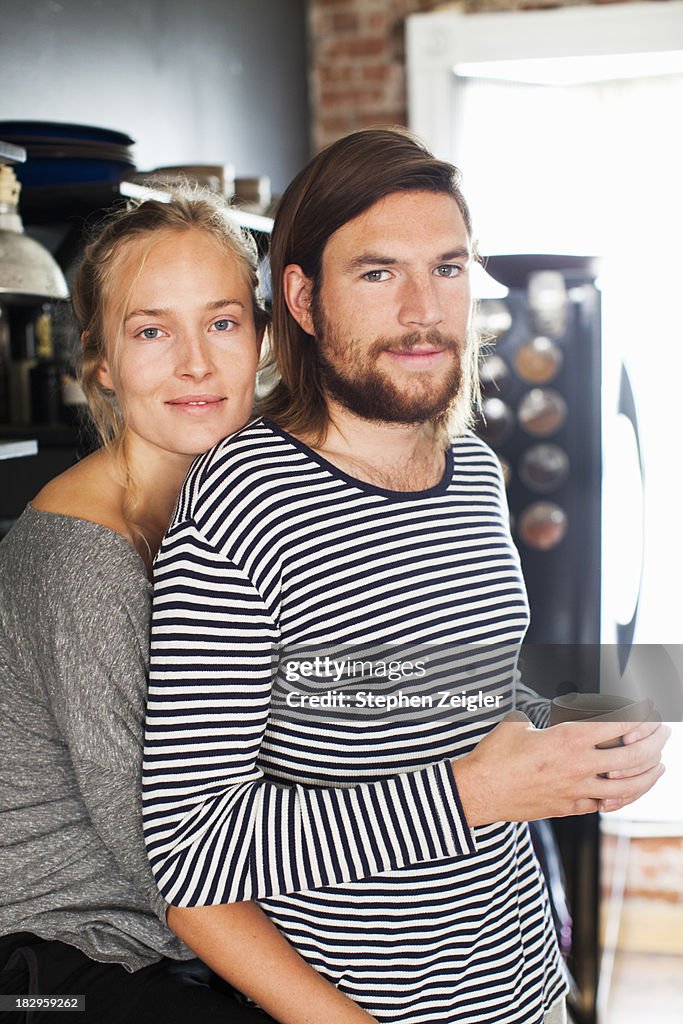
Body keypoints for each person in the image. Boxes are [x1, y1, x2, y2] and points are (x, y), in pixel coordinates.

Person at [141, 130, 669, 1024]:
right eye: (379, 274)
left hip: (527, 990)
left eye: (449, 268)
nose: (425, 310)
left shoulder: (470, 472)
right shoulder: (241, 502)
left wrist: (577, 731)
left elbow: (473, 705)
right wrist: (471, 795)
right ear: (303, 299)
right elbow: (189, 857)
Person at [0, 186, 285, 1023]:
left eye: (222, 322)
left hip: (175, 945)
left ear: (262, 338)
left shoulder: (242, 508)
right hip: (53, 961)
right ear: (101, 361)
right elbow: (170, 857)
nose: (194, 363)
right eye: (152, 330)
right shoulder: (80, 556)